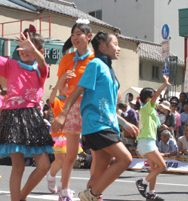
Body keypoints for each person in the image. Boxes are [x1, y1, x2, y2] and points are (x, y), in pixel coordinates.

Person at [0, 24, 54, 201]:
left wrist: (34, 50)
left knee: (44, 165)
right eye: (21, 47)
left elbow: (42, 63)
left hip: (32, 116)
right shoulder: (11, 64)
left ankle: (21, 196)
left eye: (28, 47)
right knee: (18, 166)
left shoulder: (41, 70)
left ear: (38, 50)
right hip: (12, 116)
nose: (23, 50)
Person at [52, 31, 139, 201]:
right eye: (116, 44)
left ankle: (92, 193)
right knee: (125, 159)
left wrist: (124, 124)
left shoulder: (107, 68)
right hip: (97, 125)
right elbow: (78, 90)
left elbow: (108, 106)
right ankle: (91, 195)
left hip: (108, 124)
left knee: (98, 175)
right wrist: (63, 113)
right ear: (103, 46)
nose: (119, 48)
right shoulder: (96, 64)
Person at [54, 19, 95, 201]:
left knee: (96, 152)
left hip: (91, 108)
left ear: (89, 36)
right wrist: (63, 79)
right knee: (70, 154)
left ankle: (94, 191)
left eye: (79, 34)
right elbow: (61, 89)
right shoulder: (66, 59)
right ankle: (64, 191)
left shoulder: (96, 59)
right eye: (73, 34)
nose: (75, 37)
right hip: (71, 106)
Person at [135, 75, 171, 201]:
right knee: (162, 166)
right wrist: (164, 84)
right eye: (154, 98)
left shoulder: (150, 111)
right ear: (149, 98)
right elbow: (156, 96)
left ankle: (151, 193)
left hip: (148, 141)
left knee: (154, 168)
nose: (157, 101)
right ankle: (143, 183)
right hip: (147, 142)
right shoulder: (147, 107)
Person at [47, 70, 76, 194]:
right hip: (58, 134)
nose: (69, 87)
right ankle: (51, 176)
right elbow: (51, 99)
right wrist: (59, 82)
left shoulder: (73, 100)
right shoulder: (58, 100)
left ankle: (64, 186)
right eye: (66, 85)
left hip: (71, 133)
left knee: (69, 161)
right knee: (59, 160)